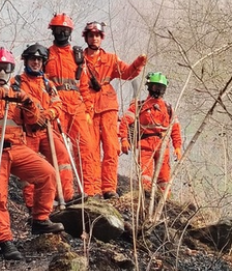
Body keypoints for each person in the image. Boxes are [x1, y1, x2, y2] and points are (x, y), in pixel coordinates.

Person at [0, 48, 65, 260]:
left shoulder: (19, 91)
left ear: (11, 69)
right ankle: (4, 241)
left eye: (6, 68)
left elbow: (33, 121)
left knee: (48, 173)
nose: (1, 72)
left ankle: (39, 219)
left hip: (17, 148)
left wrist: (28, 104)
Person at [81, 21, 147, 199]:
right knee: (90, 150)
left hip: (108, 106)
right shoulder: (79, 59)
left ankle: (109, 188)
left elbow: (127, 73)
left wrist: (139, 63)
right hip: (88, 108)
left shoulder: (110, 58)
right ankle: (92, 190)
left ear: (101, 38)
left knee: (111, 148)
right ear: (86, 37)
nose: (94, 38)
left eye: (97, 35)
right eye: (91, 35)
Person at [11, 43, 81, 207]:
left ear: (43, 62)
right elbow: (16, 105)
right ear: (26, 61)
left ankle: (66, 195)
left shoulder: (48, 84)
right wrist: (34, 114)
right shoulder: (17, 82)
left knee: (62, 155)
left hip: (46, 130)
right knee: (29, 167)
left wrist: (49, 114)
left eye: (39, 60)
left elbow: (58, 104)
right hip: (26, 132)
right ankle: (32, 205)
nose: (35, 63)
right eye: (32, 59)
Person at [43, 13, 102, 198]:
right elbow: (40, 82)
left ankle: (90, 192)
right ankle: (64, 194)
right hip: (56, 105)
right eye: (58, 30)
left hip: (76, 105)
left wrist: (88, 109)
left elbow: (84, 85)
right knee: (58, 150)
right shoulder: (45, 55)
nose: (61, 33)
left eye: (65, 30)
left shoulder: (77, 55)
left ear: (70, 32)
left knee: (86, 148)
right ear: (52, 31)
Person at [118, 72, 183, 197]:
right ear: (149, 87)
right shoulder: (139, 106)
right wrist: (124, 139)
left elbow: (175, 129)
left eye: (160, 88)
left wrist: (178, 147)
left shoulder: (168, 108)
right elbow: (125, 122)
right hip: (144, 146)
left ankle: (165, 200)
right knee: (145, 176)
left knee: (164, 178)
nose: (157, 90)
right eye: (155, 87)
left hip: (162, 146)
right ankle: (146, 197)